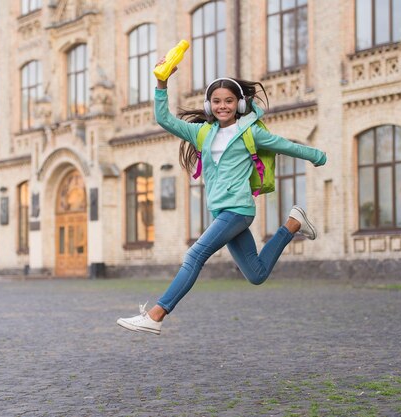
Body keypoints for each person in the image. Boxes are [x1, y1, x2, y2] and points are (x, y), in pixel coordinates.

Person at [117, 61, 327, 336]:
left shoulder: (251, 132)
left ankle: (157, 314)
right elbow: (164, 119)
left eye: (229, 101)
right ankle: (292, 224)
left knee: (194, 255)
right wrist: (161, 84)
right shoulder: (202, 133)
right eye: (216, 101)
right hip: (222, 213)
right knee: (256, 274)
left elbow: (284, 145)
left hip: (237, 209)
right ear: (208, 106)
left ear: (239, 104)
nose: (223, 106)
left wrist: (317, 156)